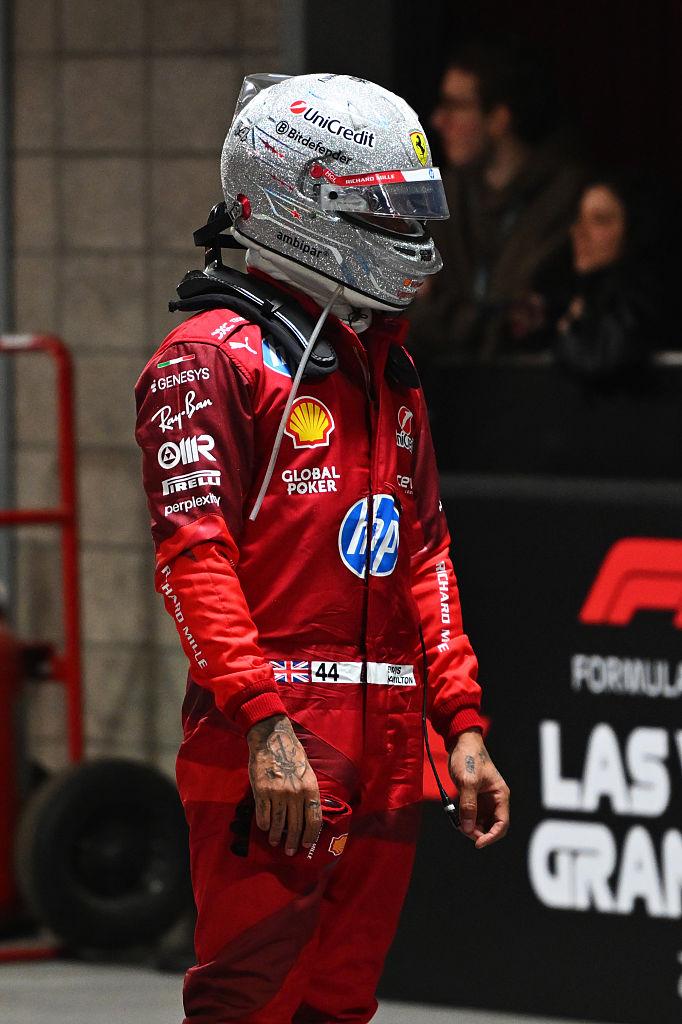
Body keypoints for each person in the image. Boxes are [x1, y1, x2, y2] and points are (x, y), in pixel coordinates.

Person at [135, 72, 510, 1024]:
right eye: (383, 212)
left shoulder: (388, 362)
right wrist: (264, 723)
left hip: (390, 743)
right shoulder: (209, 360)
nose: (408, 237)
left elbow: (423, 553)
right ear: (300, 201)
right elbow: (194, 559)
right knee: (249, 1005)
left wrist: (461, 722)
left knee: (340, 1007)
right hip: (274, 739)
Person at [408, 37, 585, 364]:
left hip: (527, 386)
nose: (438, 120)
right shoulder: (442, 196)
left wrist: (448, 312)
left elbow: (526, 321)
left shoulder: (564, 199)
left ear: (499, 118)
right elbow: (413, 314)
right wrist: (493, 320)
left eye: (455, 106)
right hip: (452, 386)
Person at [509, 176, 669, 378]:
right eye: (578, 218)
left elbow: (598, 358)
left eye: (599, 220)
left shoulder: (642, 298)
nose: (580, 232)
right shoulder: (570, 290)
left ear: (632, 228)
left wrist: (570, 327)